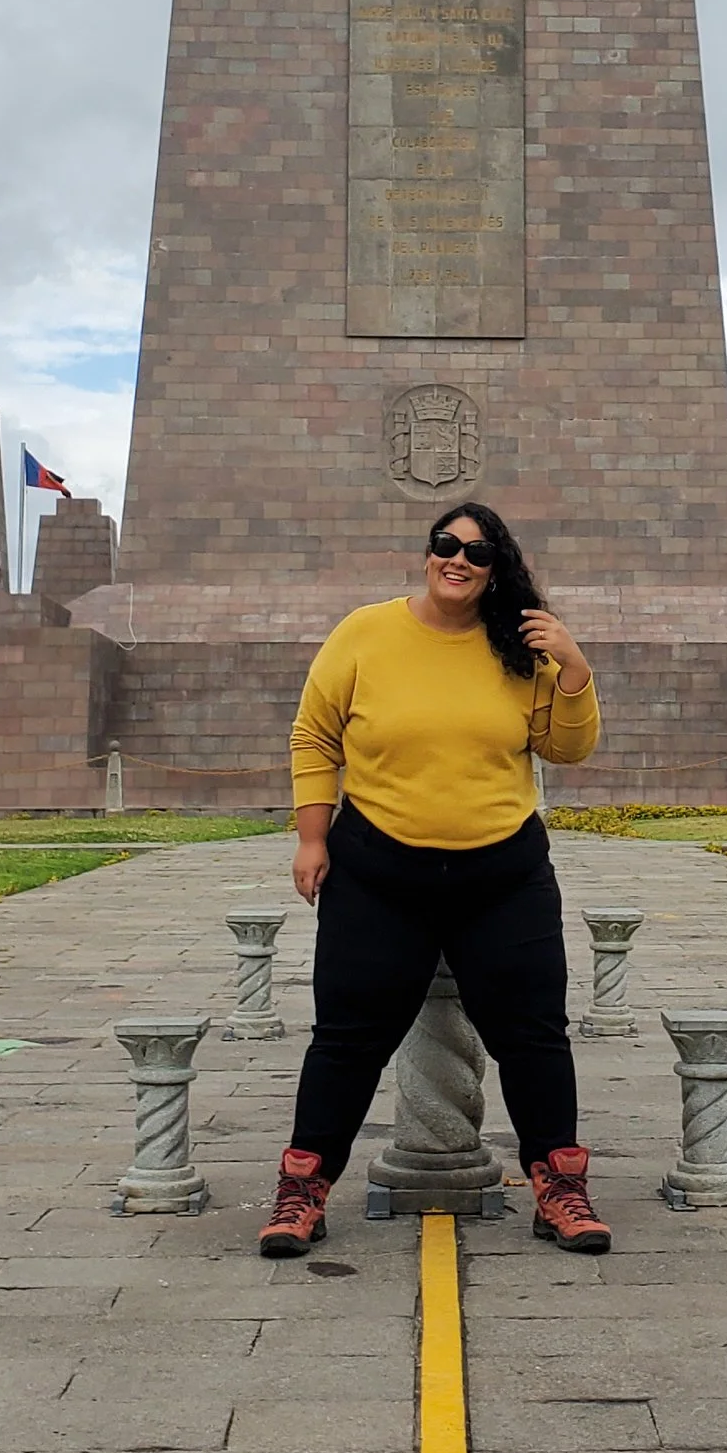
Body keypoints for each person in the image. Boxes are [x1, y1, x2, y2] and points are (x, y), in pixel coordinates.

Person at [261, 503, 609, 1259]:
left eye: (477, 552)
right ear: (427, 554)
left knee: (533, 1034)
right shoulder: (365, 633)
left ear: (496, 568)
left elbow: (566, 746)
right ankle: (303, 1188)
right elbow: (315, 735)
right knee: (347, 1038)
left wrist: (574, 669)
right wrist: (312, 837)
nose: (458, 559)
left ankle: (558, 1187)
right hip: (379, 868)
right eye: (445, 544)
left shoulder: (522, 647)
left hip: (502, 871)